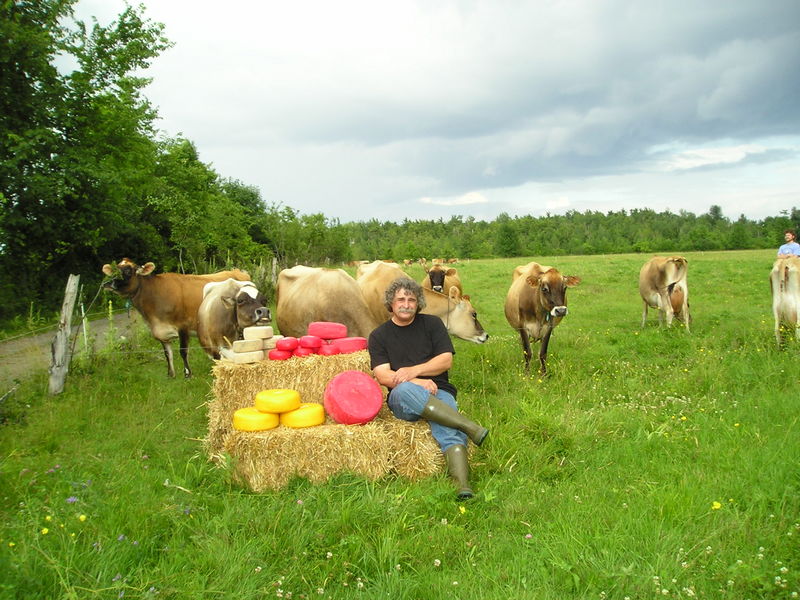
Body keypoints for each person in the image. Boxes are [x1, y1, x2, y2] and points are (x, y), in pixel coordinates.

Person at [367, 277, 488, 500]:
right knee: (403, 391)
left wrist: (413, 370)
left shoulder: (433, 325)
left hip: (439, 390)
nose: (406, 304)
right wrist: (417, 380)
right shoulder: (379, 336)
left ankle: (462, 485)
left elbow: (445, 361)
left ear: (418, 303)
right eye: (400, 299)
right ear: (391, 303)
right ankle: (469, 426)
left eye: (411, 299)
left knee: (448, 429)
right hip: (403, 399)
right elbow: (383, 375)